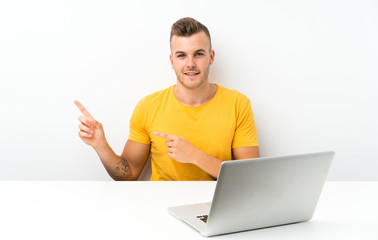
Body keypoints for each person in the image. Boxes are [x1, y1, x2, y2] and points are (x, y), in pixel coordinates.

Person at [74, 17, 259, 181]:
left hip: (215, 207)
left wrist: (194, 155)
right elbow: (129, 174)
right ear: (172, 61)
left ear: (211, 57)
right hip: (160, 208)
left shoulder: (238, 104)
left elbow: (250, 179)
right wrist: (101, 145)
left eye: (198, 54)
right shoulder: (148, 106)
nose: (190, 64)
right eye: (181, 55)